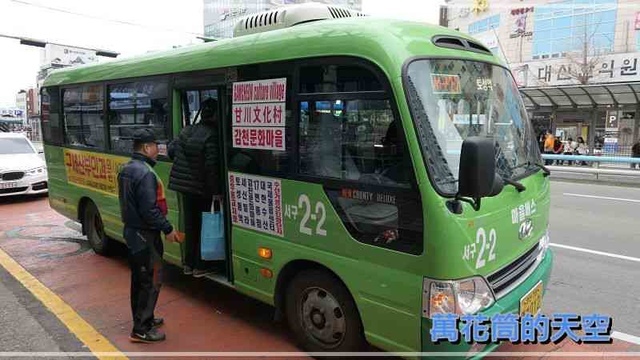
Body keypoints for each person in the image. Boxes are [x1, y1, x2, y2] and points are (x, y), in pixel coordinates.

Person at [117, 128, 181, 343]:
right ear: (146, 147)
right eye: (155, 146)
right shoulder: (144, 173)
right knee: (150, 280)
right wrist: (168, 228)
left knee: (139, 279)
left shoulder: (128, 168)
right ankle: (141, 329)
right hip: (145, 234)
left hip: (134, 232)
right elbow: (150, 210)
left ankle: (145, 318)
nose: (157, 150)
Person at [168, 98, 222, 278]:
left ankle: (188, 264)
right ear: (216, 115)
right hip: (202, 189)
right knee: (204, 226)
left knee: (190, 226)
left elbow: (171, 151)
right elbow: (212, 166)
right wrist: (217, 192)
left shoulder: (186, 130)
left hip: (184, 187)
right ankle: (201, 265)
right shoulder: (212, 134)